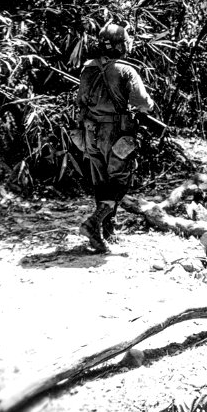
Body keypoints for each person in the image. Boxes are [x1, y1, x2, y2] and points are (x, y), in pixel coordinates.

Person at [76, 22, 155, 253]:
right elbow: (142, 102)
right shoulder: (126, 70)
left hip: (90, 132)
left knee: (101, 182)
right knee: (120, 182)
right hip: (116, 133)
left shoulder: (87, 68)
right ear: (121, 45)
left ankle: (105, 233)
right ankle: (94, 223)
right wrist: (148, 105)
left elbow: (80, 101)